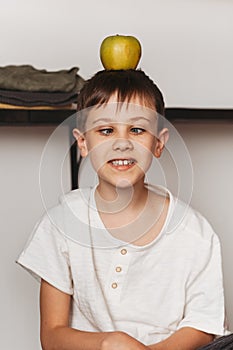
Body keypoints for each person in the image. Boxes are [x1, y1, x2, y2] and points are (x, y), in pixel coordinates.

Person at [17, 69, 231, 350]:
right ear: (83, 143)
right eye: (106, 130)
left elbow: (203, 326)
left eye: (137, 130)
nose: (122, 143)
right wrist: (109, 342)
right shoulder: (61, 223)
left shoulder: (195, 231)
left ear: (158, 143)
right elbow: (53, 336)